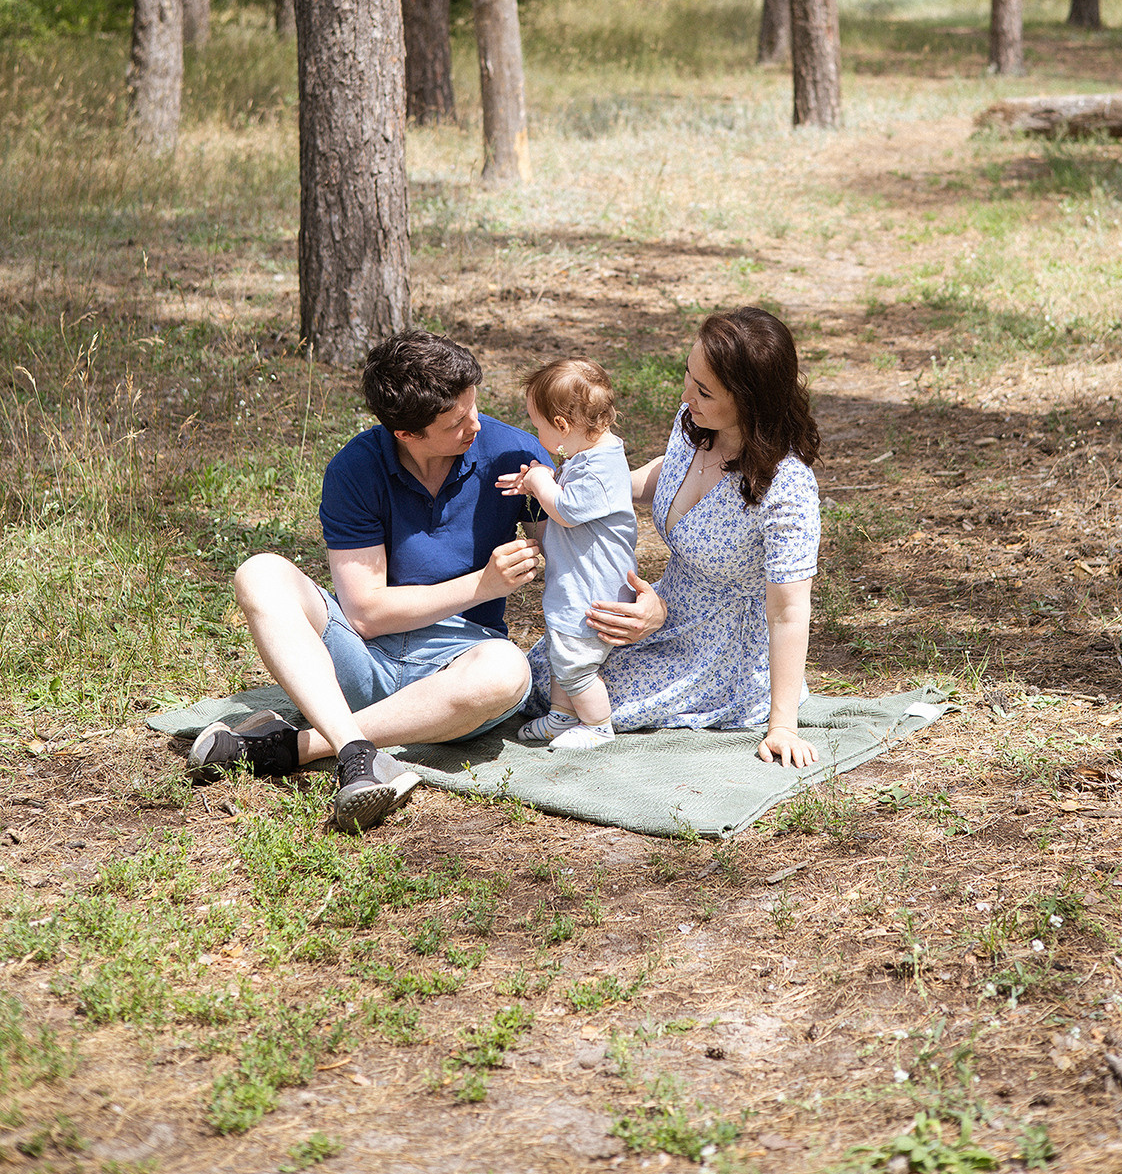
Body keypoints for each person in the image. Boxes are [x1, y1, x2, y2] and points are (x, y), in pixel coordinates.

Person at [187, 330, 547, 831]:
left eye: (473, 405)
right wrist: (482, 586)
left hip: (456, 672)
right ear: (406, 434)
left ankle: (302, 746)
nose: (475, 423)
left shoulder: (513, 453)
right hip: (360, 659)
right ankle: (356, 750)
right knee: (260, 572)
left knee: (508, 672)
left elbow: (570, 553)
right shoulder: (356, 468)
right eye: (456, 420)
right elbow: (365, 614)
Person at [524, 307, 822, 767]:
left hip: (722, 648)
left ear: (750, 400)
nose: (687, 395)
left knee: (577, 694)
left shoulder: (787, 487)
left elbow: (788, 610)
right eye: (689, 375)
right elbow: (668, 477)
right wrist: (581, 497)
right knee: (548, 671)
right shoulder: (698, 422)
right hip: (664, 603)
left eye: (704, 390)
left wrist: (782, 726)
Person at [495, 358, 638, 753]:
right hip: (578, 582)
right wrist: (537, 483)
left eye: (538, 426)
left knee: (577, 664)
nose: (536, 433)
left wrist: (541, 479)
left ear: (561, 426)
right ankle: (562, 717)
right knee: (563, 650)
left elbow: (569, 511)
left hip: (594, 590)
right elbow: (568, 495)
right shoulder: (588, 458)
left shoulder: (601, 466)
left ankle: (596, 724)